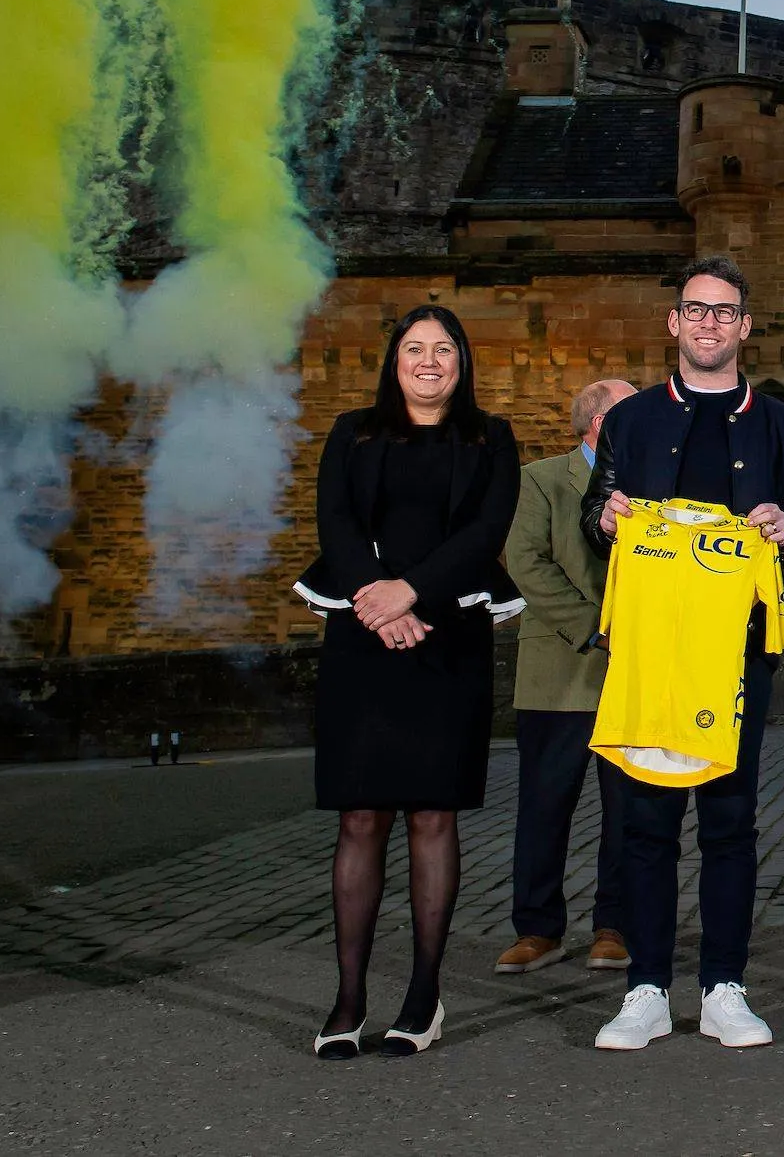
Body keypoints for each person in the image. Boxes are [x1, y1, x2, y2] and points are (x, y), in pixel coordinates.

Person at [581, 256, 784, 1051]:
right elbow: (594, 513)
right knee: (646, 819)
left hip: (738, 650)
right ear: (673, 323)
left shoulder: (783, 425)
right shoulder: (632, 420)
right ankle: (646, 987)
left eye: (725, 312)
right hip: (649, 647)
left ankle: (725, 985)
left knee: (728, 821)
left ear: (745, 327)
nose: (709, 323)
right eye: (696, 310)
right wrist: (607, 516)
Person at [297, 307, 523, 1059]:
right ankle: (349, 996)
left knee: (433, 816)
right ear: (394, 361)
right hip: (362, 638)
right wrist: (376, 598)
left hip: (446, 635)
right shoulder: (352, 431)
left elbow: (484, 534)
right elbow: (333, 522)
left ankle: (424, 995)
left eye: (444, 350)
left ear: (463, 362)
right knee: (359, 816)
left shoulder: (491, 438)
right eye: (414, 349)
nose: (429, 361)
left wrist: (411, 593)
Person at [496, 377, 636, 977]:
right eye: (633, 414)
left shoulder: (652, 486)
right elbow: (525, 562)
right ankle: (537, 929)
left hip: (634, 674)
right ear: (599, 424)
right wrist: (593, 626)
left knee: (627, 811)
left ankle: (615, 926)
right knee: (546, 807)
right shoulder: (542, 480)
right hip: (560, 669)